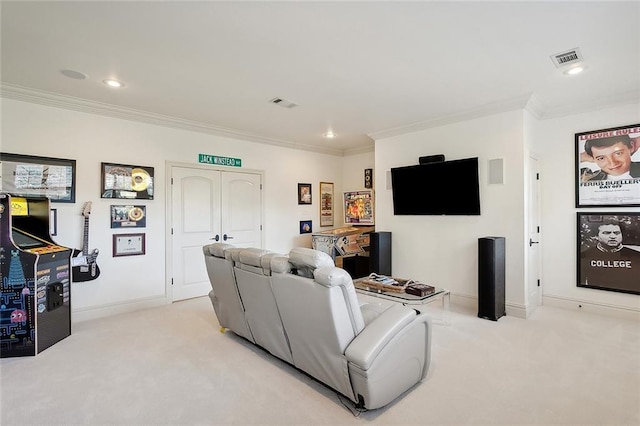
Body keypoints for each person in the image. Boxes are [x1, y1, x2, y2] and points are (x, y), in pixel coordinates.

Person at [580, 219, 640, 294]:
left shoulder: (636, 256)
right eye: (607, 233)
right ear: (596, 236)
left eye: (616, 233)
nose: (612, 236)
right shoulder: (584, 255)